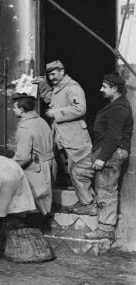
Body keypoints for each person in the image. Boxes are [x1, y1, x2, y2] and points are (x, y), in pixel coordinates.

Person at [37, 60, 95, 215]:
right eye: (49, 74)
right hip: (63, 137)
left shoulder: (72, 87)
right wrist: (43, 84)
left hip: (75, 137)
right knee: (71, 170)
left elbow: (79, 108)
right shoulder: (59, 88)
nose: (51, 77)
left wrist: (55, 113)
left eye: (53, 73)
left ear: (62, 71)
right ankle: (85, 201)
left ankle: (88, 204)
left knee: (79, 170)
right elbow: (51, 98)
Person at [85, 73, 133, 241]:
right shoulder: (115, 105)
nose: (100, 89)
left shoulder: (119, 108)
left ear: (115, 88)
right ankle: (92, 206)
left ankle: (106, 229)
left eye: (104, 87)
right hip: (106, 151)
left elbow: (114, 136)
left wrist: (102, 158)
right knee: (88, 177)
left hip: (110, 153)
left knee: (106, 191)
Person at [11, 94, 56, 216]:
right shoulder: (41, 120)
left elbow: (23, 158)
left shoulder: (26, 127)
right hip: (48, 162)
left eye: (14, 108)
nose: (13, 110)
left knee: (36, 200)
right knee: (44, 199)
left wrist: (9, 165)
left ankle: (37, 229)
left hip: (37, 167)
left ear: (22, 110)